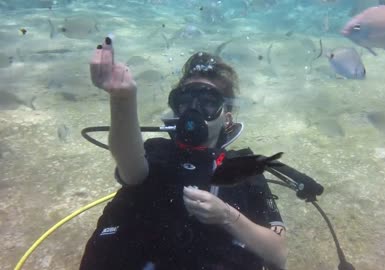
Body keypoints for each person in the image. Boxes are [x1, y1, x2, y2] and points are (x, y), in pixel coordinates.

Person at [80, 36, 287, 270]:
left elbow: (278, 254)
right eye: (185, 100)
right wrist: (122, 99)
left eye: (208, 102)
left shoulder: (245, 169)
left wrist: (227, 216)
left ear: (227, 118)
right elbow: (130, 166)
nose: (193, 110)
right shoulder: (158, 151)